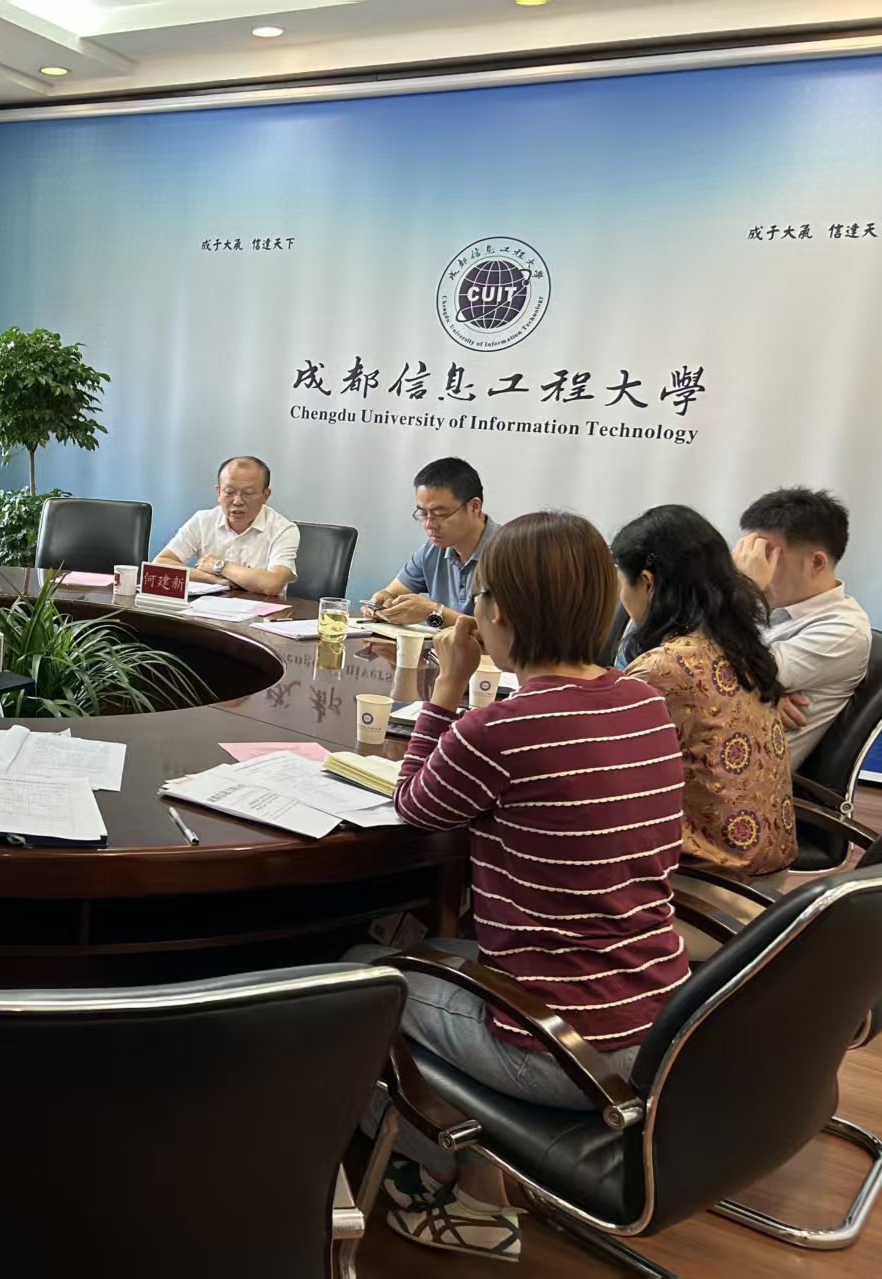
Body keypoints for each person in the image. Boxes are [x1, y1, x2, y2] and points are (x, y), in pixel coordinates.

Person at [353, 511, 688, 1263]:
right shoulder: (644, 701)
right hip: (661, 1021)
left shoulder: (501, 729)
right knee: (433, 945)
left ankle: (455, 1189)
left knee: (357, 976)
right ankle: (483, 1167)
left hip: (561, 1047)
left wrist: (447, 683)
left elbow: (413, 804)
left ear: (497, 612)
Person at [612, 506, 796, 879]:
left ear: (647, 582)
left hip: (709, 883)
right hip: (763, 875)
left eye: (621, 582)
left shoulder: (665, 668)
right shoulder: (742, 648)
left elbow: (603, 770)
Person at [733, 487, 871, 768]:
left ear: (816, 562)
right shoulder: (767, 602)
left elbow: (711, 677)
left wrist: (756, 688)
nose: (756, 569)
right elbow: (689, 656)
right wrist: (763, 691)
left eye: (767, 558)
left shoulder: (844, 630)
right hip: (712, 744)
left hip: (745, 776)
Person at [365, 457, 499, 628]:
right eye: (423, 514)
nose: (429, 524)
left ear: (474, 507)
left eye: (440, 514)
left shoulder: (510, 554)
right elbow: (390, 593)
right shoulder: (433, 550)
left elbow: (507, 633)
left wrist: (434, 612)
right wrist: (381, 603)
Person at [154, 456, 298, 596]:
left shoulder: (283, 529)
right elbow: (160, 564)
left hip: (262, 609)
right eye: (229, 492)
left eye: (248, 493)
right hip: (208, 606)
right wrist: (214, 579)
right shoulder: (203, 520)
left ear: (265, 495)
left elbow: (272, 584)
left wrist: (218, 565)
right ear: (219, 492)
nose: (237, 501)